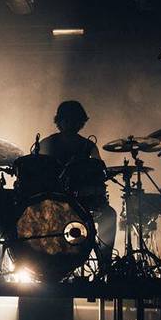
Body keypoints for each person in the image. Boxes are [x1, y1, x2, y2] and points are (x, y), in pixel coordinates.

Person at [40, 100, 117, 272]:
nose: (71, 124)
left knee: (109, 215)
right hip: (54, 203)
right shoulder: (47, 144)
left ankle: (105, 266)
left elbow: (99, 174)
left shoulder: (88, 146)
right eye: (67, 119)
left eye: (75, 120)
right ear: (59, 121)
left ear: (81, 122)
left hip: (84, 203)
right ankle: (47, 266)